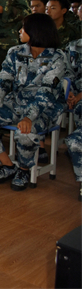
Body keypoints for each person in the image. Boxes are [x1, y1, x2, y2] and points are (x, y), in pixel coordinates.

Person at [0, 14, 66, 191]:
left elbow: (46, 92)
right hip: (16, 103)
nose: (19, 31)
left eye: (23, 28)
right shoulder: (15, 52)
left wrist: (29, 117)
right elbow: (3, 82)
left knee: (25, 132)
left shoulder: (57, 58)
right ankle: (8, 166)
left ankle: (23, 170)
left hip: (45, 109)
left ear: (36, 31)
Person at [63, 38, 82, 201]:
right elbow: (67, 72)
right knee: (74, 141)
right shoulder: (73, 46)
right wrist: (69, 91)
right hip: (76, 95)